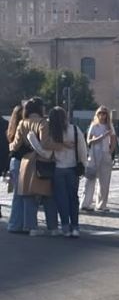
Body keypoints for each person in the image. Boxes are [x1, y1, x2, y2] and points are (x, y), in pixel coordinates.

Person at [28, 106, 87, 238]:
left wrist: (32, 138)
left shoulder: (53, 133)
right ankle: (75, 227)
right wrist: (83, 164)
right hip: (73, 168)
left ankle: (65, 227)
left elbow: (45, 152)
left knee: (62, 199)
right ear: (65, 116)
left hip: (58, 168)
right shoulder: (75, 130)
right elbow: (82, 149)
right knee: (73, 198)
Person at [9, 97, 59, 236]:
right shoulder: (43, 122)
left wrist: (10, 147)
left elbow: (15, 145)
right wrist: (60, 146)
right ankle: (53, 227)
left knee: (28, 196)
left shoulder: (22, 123)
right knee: (48, 195)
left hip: (26, 162)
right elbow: (45, 143)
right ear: (39, 108)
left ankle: (31, 227)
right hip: (41, 161)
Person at [80, 106, 117, 212]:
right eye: (100, 113)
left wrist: (110, 151)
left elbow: (113, 140)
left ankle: (101, 205)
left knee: (104, 181)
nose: (102, 115)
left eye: (104, 113)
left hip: (105, 154)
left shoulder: (110, 126)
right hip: (94, 154)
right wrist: (102, 136)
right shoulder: (94, 125)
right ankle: (85, 203)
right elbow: (89, 141)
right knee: (90, 179)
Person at [6, 104, 26, 233]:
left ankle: (15, 223)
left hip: (14, 162)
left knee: (17, 195)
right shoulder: (22, 127)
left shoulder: (11, 128)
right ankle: (15, 224)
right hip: (20, 162)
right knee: (20, 195)